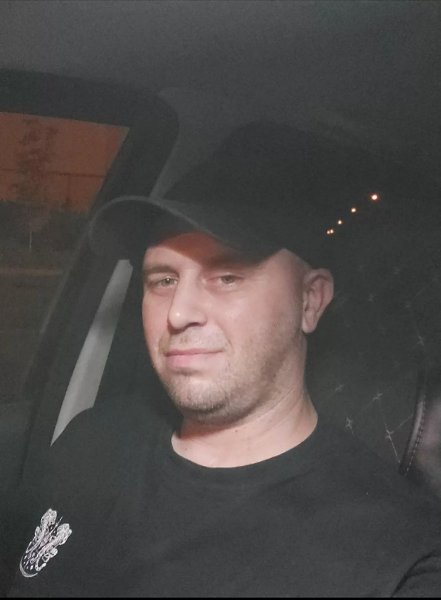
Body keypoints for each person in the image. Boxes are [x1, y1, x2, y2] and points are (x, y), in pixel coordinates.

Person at [1, 121, 441, 597]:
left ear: (310, 300)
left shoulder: (399, 556)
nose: (178, 313)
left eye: (227, 276)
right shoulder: (91, 439)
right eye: (163, 280)